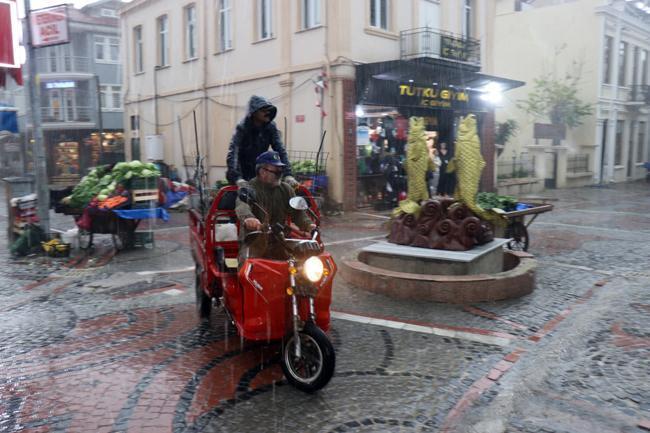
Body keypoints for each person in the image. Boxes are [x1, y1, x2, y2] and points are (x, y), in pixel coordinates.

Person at [235, 151, 316, 262]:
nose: (280, 174)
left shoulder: (286, 189)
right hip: (254, 243)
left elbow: (298, 213)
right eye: (276, 171)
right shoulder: (249, 188)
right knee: (247, 269)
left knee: (300, 268)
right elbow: (242, 206)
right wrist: (250, 219)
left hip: (279, 242)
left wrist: (309, 225)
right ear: (263, 172)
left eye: (281, 170)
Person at [226, 95, 298, 188]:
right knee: (240, 199)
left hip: (259, 171)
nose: (267, 112)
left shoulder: (270, 127)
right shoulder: (242, 128)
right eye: (263, 110)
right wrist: (237, 178)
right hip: (241, 172)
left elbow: (280, 150)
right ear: (254, 112)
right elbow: (233, 153)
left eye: (269, 109)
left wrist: (288, 174)